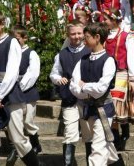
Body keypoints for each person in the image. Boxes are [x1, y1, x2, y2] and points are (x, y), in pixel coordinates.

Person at [0, 9, 39, 166]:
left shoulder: (12, 42)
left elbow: (12, 72)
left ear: (2, 23)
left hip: (11, 96)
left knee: (18, 139)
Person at [70, 22, 120, 166]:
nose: (83, 40)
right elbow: (73, 85)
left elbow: (101, 89)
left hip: (104, 109)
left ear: (97, 37)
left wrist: (84, 85)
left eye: (86, 37)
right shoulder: (83, 60)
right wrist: (85, 91)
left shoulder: (108, 60)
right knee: (107, 148)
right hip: (88, 108)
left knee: (98, 147)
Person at [50, 20, 90, 166]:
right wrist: (58, 79)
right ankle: (68, 163)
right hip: (69, 98)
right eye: (73, 34)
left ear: (84, 34)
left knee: (88, 134)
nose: (76, 36)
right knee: (70, 133)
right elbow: (54, 73)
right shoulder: (62, 54)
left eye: (79, 33)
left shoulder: (89, 52)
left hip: (87, 99)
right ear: (68, 35)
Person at [103, 8, 134, 151]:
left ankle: (124, 132)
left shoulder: (126, 36)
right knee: (109, 104)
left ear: (114, 20)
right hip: (107, 74)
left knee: (118, 103)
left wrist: (133, 79)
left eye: (106, 19)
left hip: (121, 73)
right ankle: (115, 135)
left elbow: (131, 57)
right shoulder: (103, 35)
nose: (103, 21)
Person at [6, 25, 42, 163]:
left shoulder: (31, 53)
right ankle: (15, 148)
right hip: (12, 91)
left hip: (27, 92)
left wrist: (19, 87)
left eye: (17, 38)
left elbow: (32, 74)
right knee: (14, 122)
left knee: (28, 121)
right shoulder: (10, 53)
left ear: (24, 38)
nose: (15, 42)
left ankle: (36, 144)